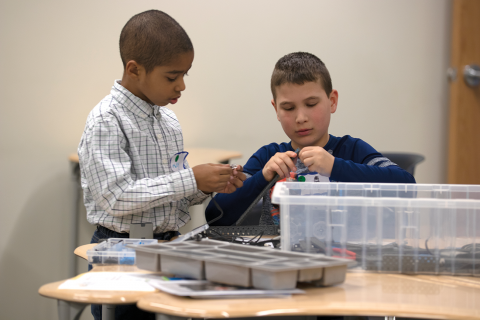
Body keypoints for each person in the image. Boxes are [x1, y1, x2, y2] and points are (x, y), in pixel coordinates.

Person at [77, 10, 245, 320]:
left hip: (168, 249)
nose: (181, 86)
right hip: (121, 253)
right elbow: (116, 197)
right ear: (134, 69)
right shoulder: (106, 120)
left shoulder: (168, 120)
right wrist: (190, 180)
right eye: (172, 76)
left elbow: (169, 193)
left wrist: (207, 184)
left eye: (185, 74)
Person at [205, 52, 415, 226]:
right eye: (288, 108)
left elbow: (407, 186)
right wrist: (262, 178)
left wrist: (335, 167)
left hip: (343, 259)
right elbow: (215, 215)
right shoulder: (268, 157)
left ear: (332, 101)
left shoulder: (351, 149)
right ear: (276, 110)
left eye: (311, 104)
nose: (301, 118)